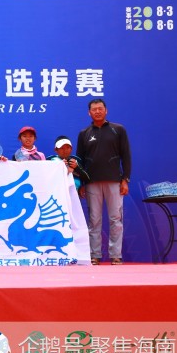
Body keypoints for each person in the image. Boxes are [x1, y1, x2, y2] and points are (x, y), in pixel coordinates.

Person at [77, 98, 131, 265]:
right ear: (89, 113)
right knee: (94, 220)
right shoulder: (84, 133)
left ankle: (116, 255)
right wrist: (82, 184)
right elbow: (79, 161)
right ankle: (95, 255)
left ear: (106, 110)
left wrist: (125, 179)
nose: (97, 112)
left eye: (100, 108)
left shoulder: (118, 130)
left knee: (116, 218)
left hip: (114, 181)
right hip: (91, 182)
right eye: (94, 109)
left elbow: (126, 155)